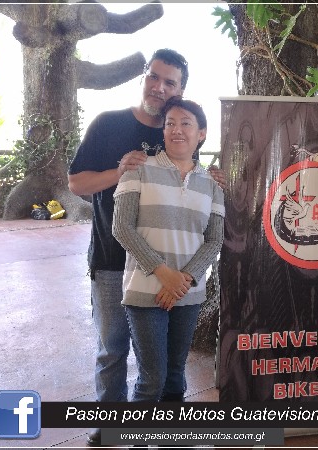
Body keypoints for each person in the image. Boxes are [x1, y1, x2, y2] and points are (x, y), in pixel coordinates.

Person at [68, 48, 224, 447]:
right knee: (113, 348)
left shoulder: (177, 130)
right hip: (112, 257)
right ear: (144, 77)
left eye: (169, 82)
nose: (159, 87)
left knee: (165, 367)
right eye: (154, 77)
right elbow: (77, 183)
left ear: (180, 91)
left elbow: (191, 188)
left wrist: (215, 179)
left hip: (173, 271)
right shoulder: (109, 123)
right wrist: (120, 171)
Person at [112, 96, 224, 404]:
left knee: (175, 376)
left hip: (188, 294)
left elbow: (214, 239)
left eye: (186, 123)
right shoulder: (138, 169)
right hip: (145, 290)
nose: (177, 130)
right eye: (170, 123)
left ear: (201, 133)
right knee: (152, 380)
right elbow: (121, 228)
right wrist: (165, 274)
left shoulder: (212, 183)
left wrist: (183, 280)